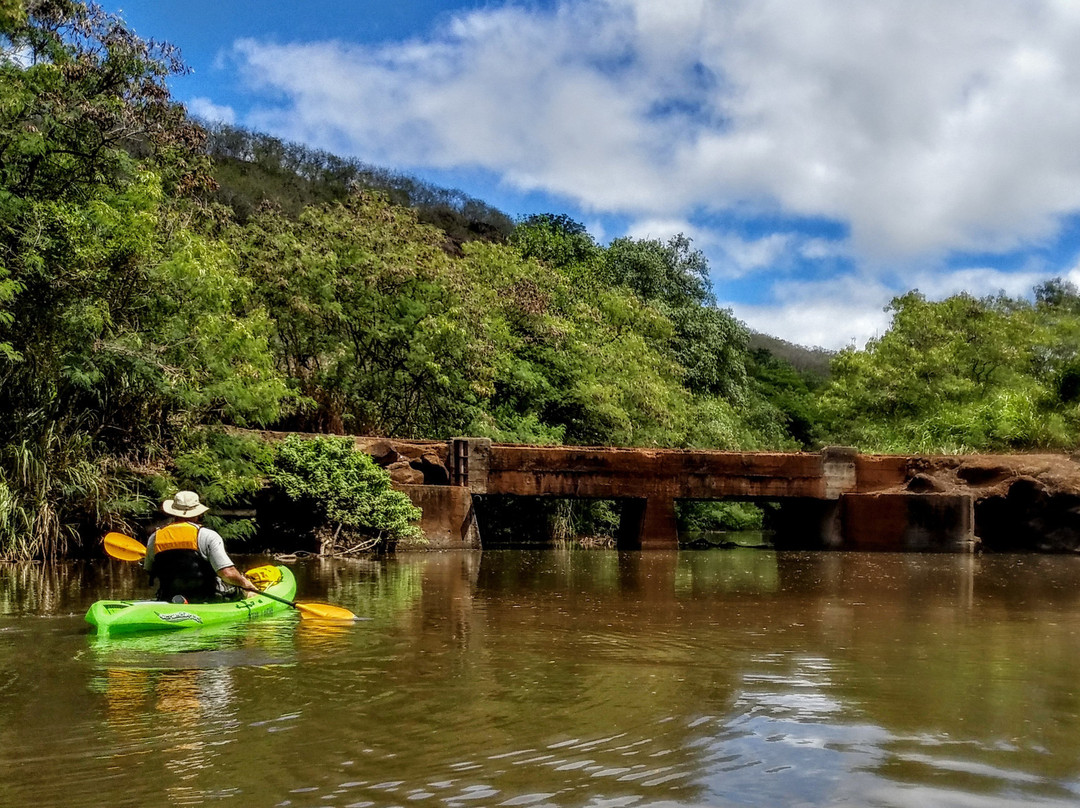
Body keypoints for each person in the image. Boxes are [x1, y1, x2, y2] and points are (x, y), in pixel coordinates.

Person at [144, 490, 257, 603]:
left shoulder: (154, 538)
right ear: (198, 513)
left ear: (173, 512)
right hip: (207, 598)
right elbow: (227, 573)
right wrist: (246, 584)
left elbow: (149, 570)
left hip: (169, 597)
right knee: (246, 590)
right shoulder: (208, 536)